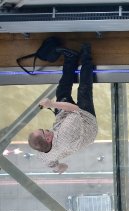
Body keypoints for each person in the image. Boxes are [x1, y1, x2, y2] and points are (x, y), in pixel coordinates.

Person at [28, 43, 98, 174]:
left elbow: (52, 164)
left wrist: (61, 167)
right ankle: (86, 57)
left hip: (67, 122)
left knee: (62, 91)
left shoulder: (43, 156)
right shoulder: (66, 135)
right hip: (86, 123)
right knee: (84, 90)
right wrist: (51, 104)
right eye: (43, 131)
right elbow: (74, 109)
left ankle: (71, 58)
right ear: (48, 138)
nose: (45, 129)